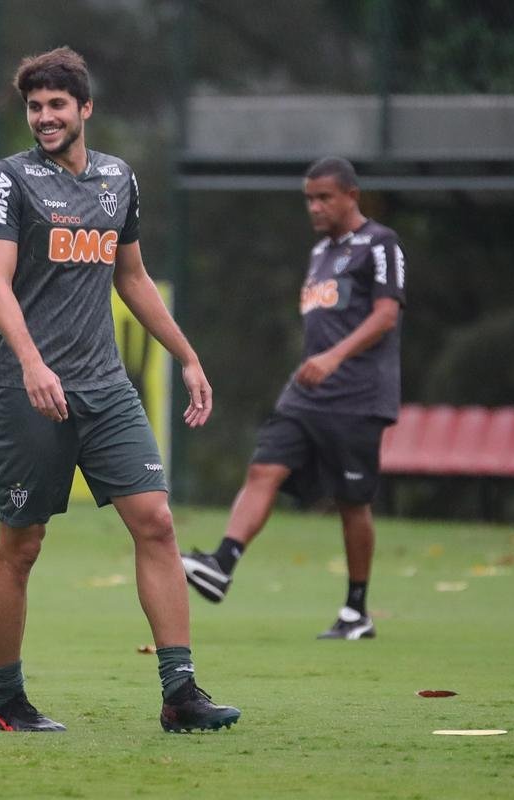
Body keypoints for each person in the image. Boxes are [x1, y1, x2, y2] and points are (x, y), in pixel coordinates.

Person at [0, 46, 239, 733]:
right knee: (21, 545)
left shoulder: (118, 178)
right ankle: (9, 702)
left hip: (105, 387)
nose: (44, 117)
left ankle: (180, 693)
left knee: (155, 521)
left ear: (84, 108)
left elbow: (133, 278)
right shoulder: (9, 180)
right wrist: (32, 363)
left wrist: (186, 355)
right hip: (29, 389)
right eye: (34, 107)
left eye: (57, 105)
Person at [181, 156, 405, 641]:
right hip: (306, 395)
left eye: (324, 197)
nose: (315, 207)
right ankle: (223, 563)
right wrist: (316, 364)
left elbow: (386, 315)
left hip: (358, 396)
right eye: (309, 199)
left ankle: (356, 610)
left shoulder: (380, 243)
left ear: (351, 195)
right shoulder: (320, 253)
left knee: (352, 501)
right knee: (263, 467)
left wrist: (335, 358)